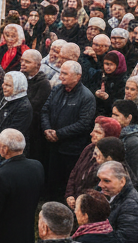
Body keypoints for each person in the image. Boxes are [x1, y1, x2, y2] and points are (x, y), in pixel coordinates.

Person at [41, 60, 98, 202]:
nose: (61, 76)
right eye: (61, 72)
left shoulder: (87, 97)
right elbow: (45, 110)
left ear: (77, 76)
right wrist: (47, 128)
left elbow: (84, 124)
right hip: (52, 145)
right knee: (52, 178)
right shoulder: (57, 89)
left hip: (71, 148)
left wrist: (59, 134)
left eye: (65, 73)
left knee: (66, 182)